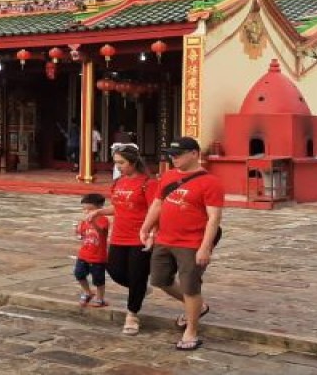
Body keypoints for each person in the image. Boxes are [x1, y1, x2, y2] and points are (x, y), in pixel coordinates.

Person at [139, 137, 224, 352]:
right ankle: (198, 308)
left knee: (190, 287)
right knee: (159, 280)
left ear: (194, 154)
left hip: (191, 243)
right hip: (164, 239)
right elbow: (158, 203)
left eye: (178, 154)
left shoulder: (210, 182)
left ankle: (191, 330)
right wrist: (146, 227)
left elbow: (213, 218)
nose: (173, 158)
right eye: (171, 154)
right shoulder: (168, 176)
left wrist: (205, 247)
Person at [87, 143, 169, 335]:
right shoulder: (118, 183)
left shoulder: (148, 183)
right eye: (116, 163)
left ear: (133, 162)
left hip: (139, 236)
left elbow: (155, 211)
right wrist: (99, 211)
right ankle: (139, 288)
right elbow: (118, 206)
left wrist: (151, 234)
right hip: (119, 236)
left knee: (137, 274)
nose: (118, 166)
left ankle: (132, 314)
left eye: (121, 163)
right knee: (115, 271)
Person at [75, 193, 109, 308]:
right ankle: (87, 292)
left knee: (98, 279)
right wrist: (78, 229)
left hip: (98, 256)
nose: (86, 212)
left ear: (99, 209)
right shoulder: (84, 221)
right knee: (79, 274)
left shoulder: (103, 220)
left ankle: (100, 299)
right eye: (84, 209)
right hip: (84, 254)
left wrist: (92, 222)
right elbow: (81, 236)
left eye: (90, 209)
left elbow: (101, 232)